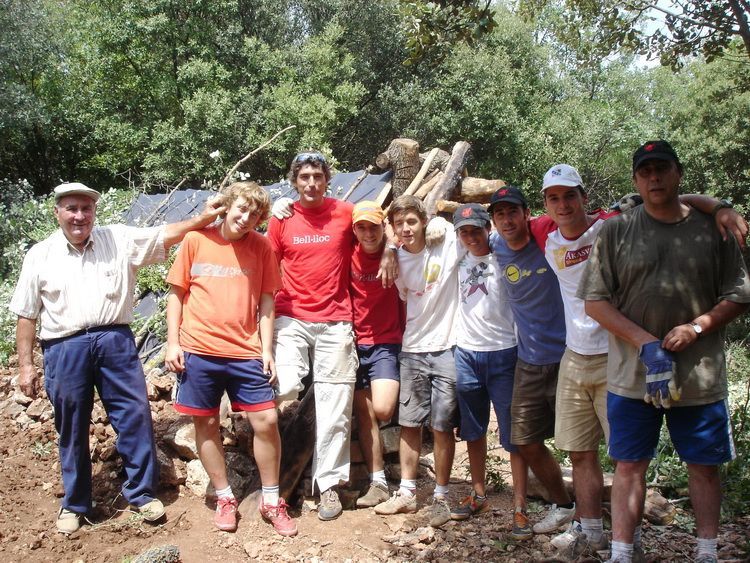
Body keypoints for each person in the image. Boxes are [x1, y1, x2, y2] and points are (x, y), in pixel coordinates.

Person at [10, 181, 224, 534]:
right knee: (72, 425)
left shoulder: (118, 238)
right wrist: (27, 366)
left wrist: (202, 219)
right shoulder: (40, 254)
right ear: (58, 212)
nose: (80, 216)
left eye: (86, 208)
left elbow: (166, 234)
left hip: (115, 339)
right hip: (64, 347)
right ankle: (75, 504)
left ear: (94, 211)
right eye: (72, 208)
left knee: (134, 415)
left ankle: (141, 494)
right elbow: (25, 314)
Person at [579, 140, 750, 563]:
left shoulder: (714, 228)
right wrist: (647, 343)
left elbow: (740, 293)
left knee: (703, 466)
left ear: (678, 173)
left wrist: (697, 327)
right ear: (636, 179)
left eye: (662, 169)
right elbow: (595, 302)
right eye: (645, 171)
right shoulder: (617, 230)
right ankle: (622, 552)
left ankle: (706, 552)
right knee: (628, 465)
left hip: (700, 375)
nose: (654, 177)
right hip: (632, 375)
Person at [164, 181, 297, 536]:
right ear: (226, 207)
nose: (246, 218)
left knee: (267, 421)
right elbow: (177, 295)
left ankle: (272, 500)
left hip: (244, 350)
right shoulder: (196, 240)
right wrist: (172, 342)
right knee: (205, 423)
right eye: (241, 209)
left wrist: (266, 349)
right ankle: (225, 497)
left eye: (254, 214)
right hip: (198, 349)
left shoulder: (262, 246)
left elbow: (268, 302)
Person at [266, 151, 359, 521]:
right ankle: (275, 476)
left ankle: (329, 487)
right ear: (294, 181)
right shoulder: (282, 218)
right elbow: (264, 265)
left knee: (336, 403)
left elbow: (376, 235)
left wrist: (385, 255)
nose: (311, 183)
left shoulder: (345, 213)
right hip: (291, 317)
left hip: (336, 319)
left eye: (317, 176)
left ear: (327, 179)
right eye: (304, 176)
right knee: (284, 387)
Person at [488, 185, 576, 538]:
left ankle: (590, 521)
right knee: (524, 439)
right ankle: (564, 505)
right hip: (528, 359)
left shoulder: (550, 240)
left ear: (527, 214)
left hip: (569, 357)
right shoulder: (494, 245)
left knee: (579, 446)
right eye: (500, 214)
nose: (507, 220)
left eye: (513, 212)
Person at [374, 195, 463, 528]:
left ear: (424, 221)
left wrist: (445, 219)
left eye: (411, 221)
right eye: (399, 224)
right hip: (412, 347)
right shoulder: (395, 260)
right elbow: (403, 294)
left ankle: (441, 495)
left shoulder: (447, 241)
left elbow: (474, 228)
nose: (406, 228)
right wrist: (389, 250)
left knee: (441, 425)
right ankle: (407, 492)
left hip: (447, 346)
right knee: (409, 422)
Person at [447, 204, 530, 534]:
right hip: (466, 353)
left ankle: (520, 504)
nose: (470, 236)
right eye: (464, 231)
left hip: (504, 354)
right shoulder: (458, 257)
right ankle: (478, 493)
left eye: (476, 230)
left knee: (513, 434)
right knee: (473, 428)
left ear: (488, 229)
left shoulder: (505, 255)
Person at [348, 200, 404, 509]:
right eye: (361, 227)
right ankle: (378, 479)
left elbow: (420, 229)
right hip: (355, 342)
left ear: (383, 226)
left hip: (385, 341)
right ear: (354, 229)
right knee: (364, 415)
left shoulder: (396, 252)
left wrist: (391, 248)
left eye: (374, 226)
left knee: (382, 409)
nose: (368, 233)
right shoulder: (349, 254)